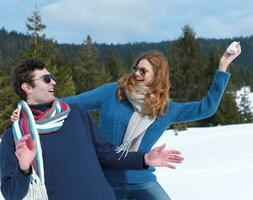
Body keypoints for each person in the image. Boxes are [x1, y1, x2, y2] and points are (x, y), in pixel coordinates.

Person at [11, 43, 241, 200]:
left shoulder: (166, 109)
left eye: (144, 70)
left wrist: (223, 66)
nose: (136, 74)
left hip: (142, 180)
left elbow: (206, 107)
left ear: (157, 76)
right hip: (105, 179)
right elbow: (70, 103)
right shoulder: (113, 92)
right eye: (136, 68)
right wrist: (28, 111)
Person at [1, 59, 184, 200]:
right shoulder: (15, 136)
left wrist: (144, 159)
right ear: (27, 87)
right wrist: (24, 168)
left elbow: (107, 153)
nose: (53, 82)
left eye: (53, 77)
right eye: (46, 79)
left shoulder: (76, 115)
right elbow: (11, 193)